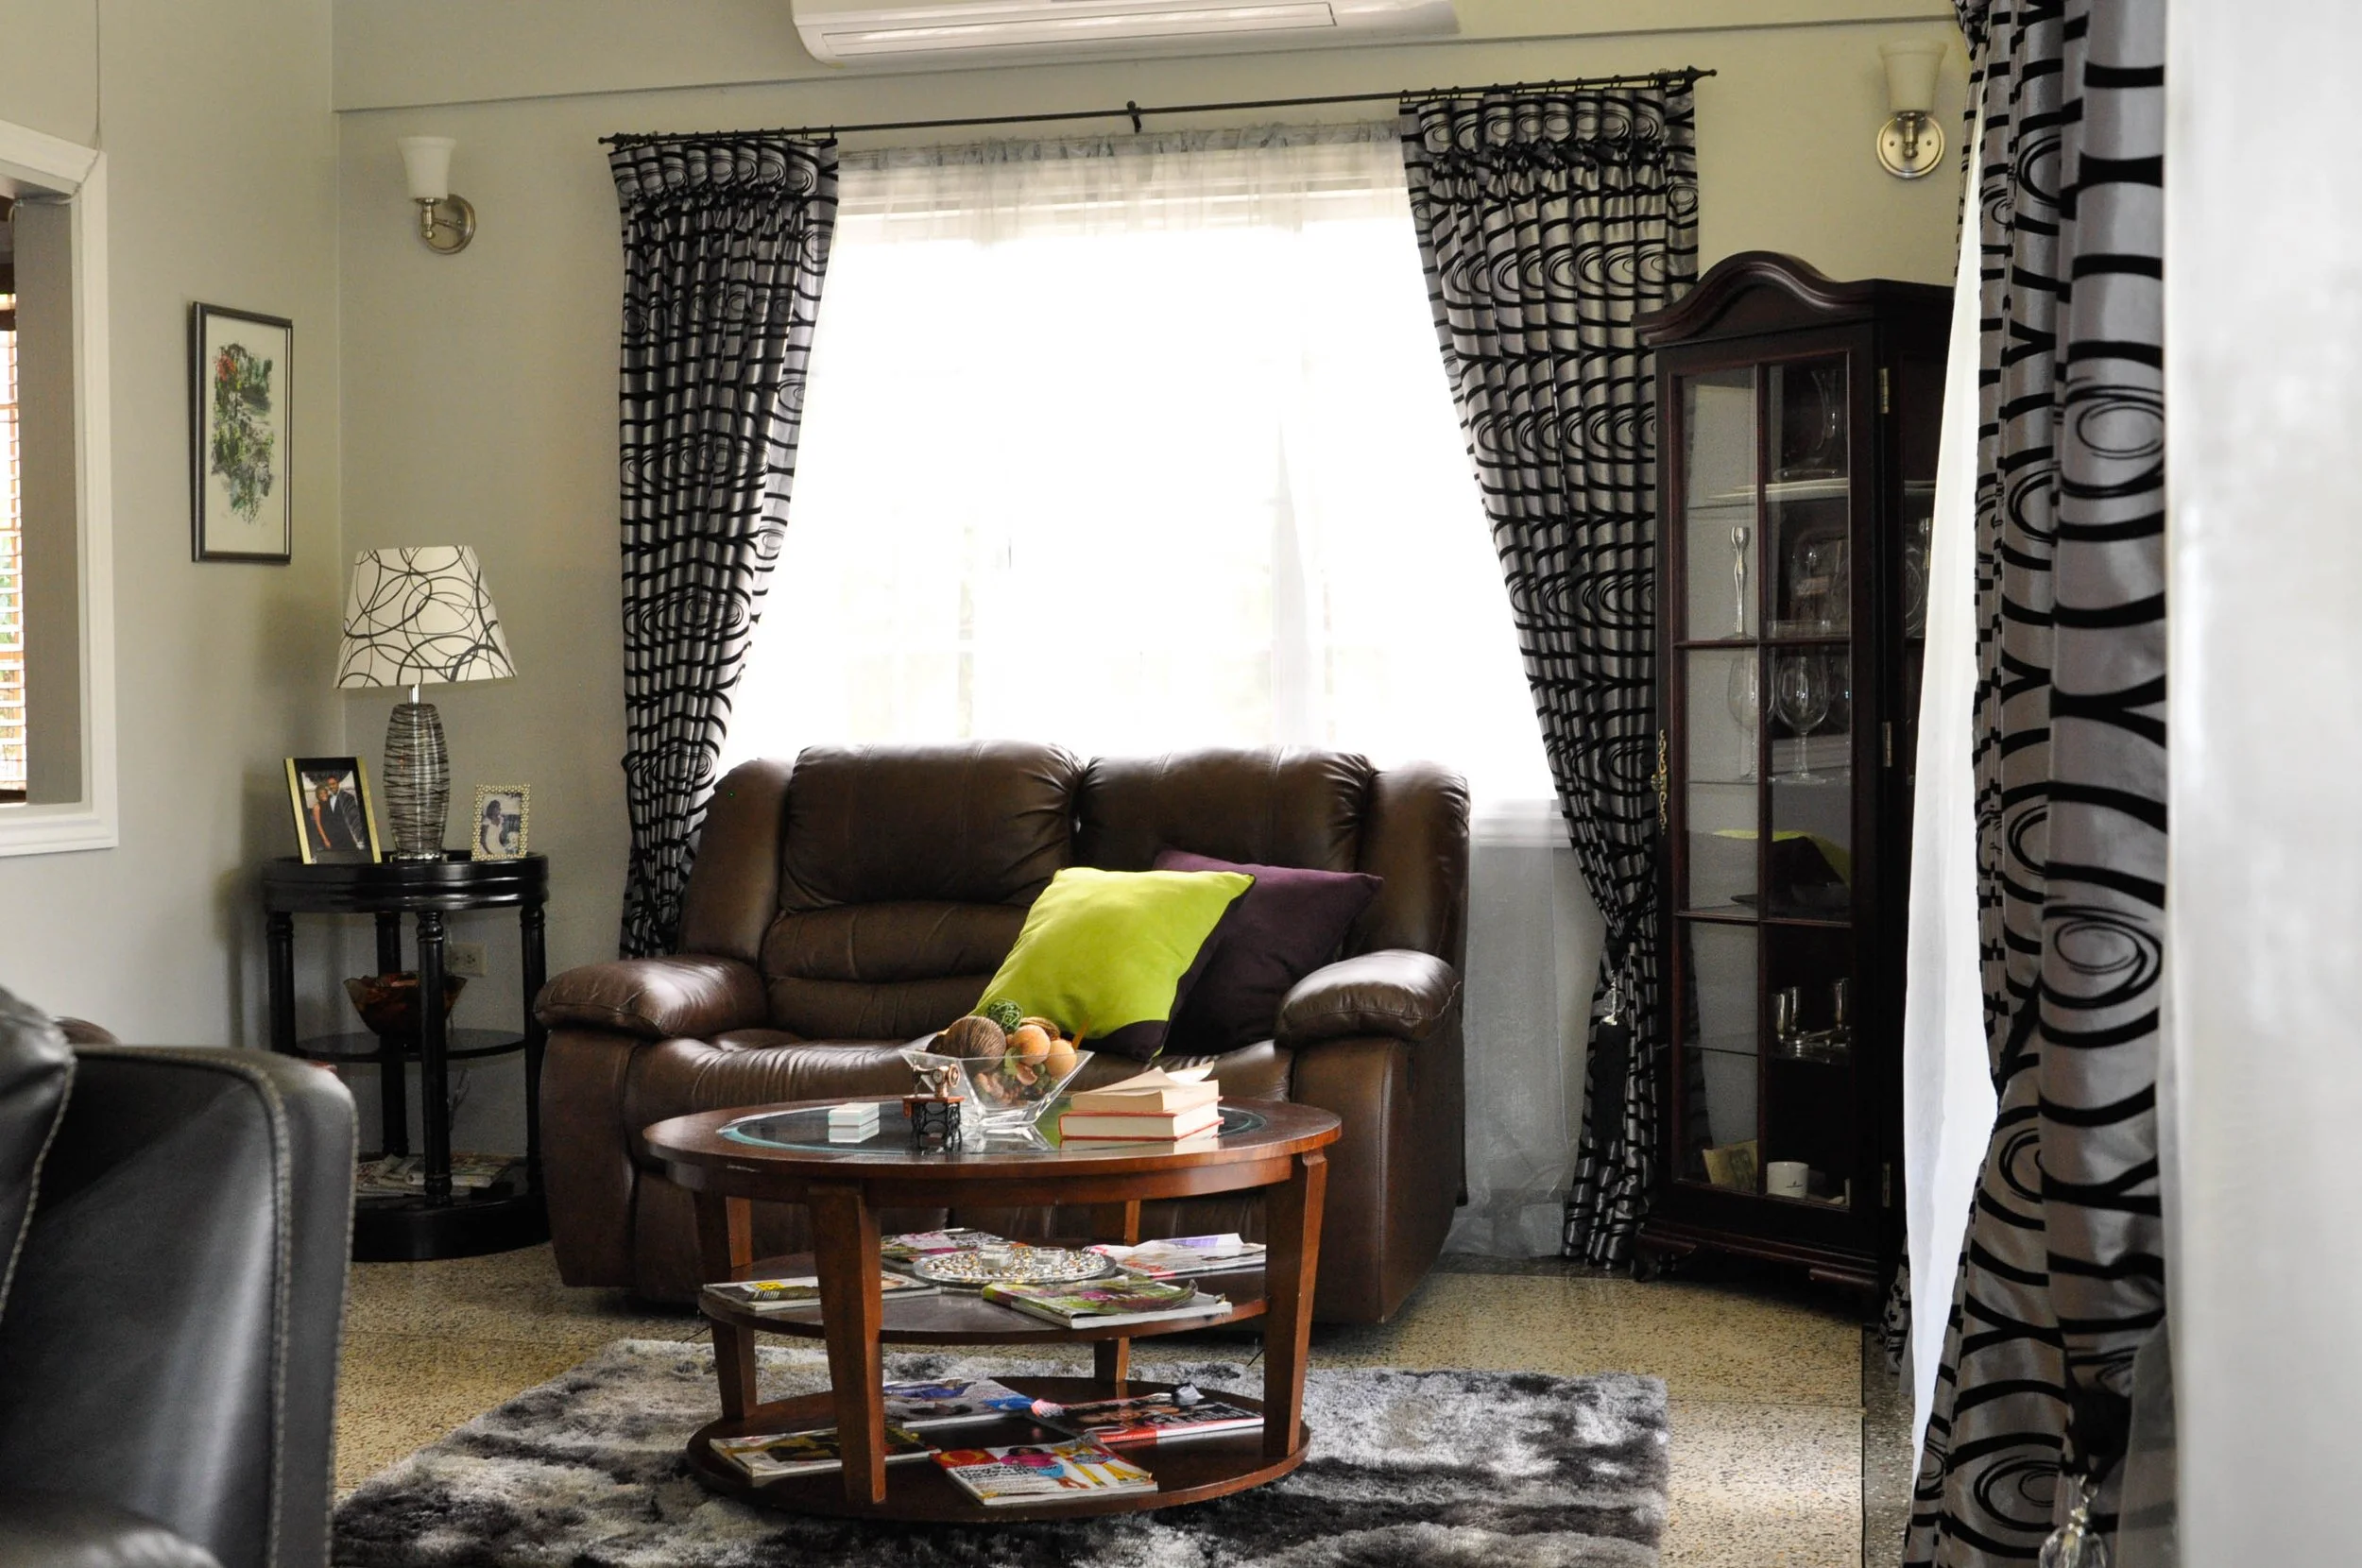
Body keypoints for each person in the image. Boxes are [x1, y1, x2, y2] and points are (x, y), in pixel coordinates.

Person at [306, 774, 368, 854]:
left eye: (324, 793)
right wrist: (325, 840)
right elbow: (318, 825)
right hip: (330, 837)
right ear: (317, 795)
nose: (323, 795)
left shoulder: (336, 799)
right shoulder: (317, 806)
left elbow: (353, 818)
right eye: (320, 793)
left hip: (343, 836)